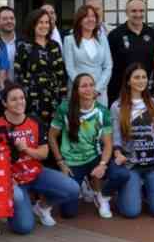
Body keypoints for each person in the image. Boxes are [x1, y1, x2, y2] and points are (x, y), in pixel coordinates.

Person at [0, 84, 79, 233]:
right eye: (13, 99)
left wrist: (26, 149)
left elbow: (44, 153)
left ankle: (42, 207)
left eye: (22, 98)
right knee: (23, 228)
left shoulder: (34, 121)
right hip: (14, 181)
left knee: (73, 189)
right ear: (4, 103)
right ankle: (12, 209)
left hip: (36, 173)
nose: (19, 102)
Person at [49, 74, 126, 219]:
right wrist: (60, 162)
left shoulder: (102, 111)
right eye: (84, 86)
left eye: (91, 85)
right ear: (76, 90)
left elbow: (108, 143)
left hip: (94, 157)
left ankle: (100, 196)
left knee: (122, 174)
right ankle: (83, 183)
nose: (89, 89)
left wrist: (102, 165)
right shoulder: (65, 108)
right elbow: (52, 137)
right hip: (72, 161)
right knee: (68, 213)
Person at [111, 64, 154, 218]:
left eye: (144, 77)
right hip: (131, 164)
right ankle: (125, 196)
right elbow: (116, 136)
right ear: (128, 81)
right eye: (136, 77)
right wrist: (118, 153)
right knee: (131, 212)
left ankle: (147, 192)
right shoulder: (117, 106)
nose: (141, 81)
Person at [14, 8, 67, 126]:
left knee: (54, 132)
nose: (44, 26)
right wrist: (23, 97)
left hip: (54, 97)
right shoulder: (23, 45)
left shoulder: (55, 45)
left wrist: (63, 98)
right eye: (40, 22)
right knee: (35, 130)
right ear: (33, 24)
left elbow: (61, 74)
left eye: (47, 22)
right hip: (32, 98)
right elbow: (18, 74)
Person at [107, 0, 154, 104]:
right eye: (134, 11)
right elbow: (108, 63)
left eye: (141, 11)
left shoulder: (152, 34)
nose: (138, 14)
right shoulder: (115, 35)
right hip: (120, 91)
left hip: (144, 90)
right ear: (126, 12)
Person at [63, 5, 112, 106]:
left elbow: (108, 66)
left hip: (99, 92)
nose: (91, 19)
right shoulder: (69, 40)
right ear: (79, 20)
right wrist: (84, 87)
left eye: (93, 16)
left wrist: (97, 89)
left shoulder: (102, 38)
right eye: (86, 16)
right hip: (78, 91)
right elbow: (70, 68)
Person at [0, 6, 20, 82]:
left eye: (12, 18)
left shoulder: (23, 42)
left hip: (18, 89)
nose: (9, 21)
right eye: (5, 19)